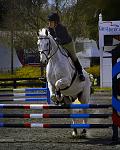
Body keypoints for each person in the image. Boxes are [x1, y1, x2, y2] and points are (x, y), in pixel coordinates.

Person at [47, 12, 85, 81]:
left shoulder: (62, 28)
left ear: (55, 22)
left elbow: (64, 39)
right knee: (51, 56)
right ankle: (48, 74)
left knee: (73, 56)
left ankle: (80, 73)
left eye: (51, 22)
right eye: (49, 22)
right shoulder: (49, 29)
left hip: (68, 44)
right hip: (59, 45)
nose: (49, 23)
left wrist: (58, 39)